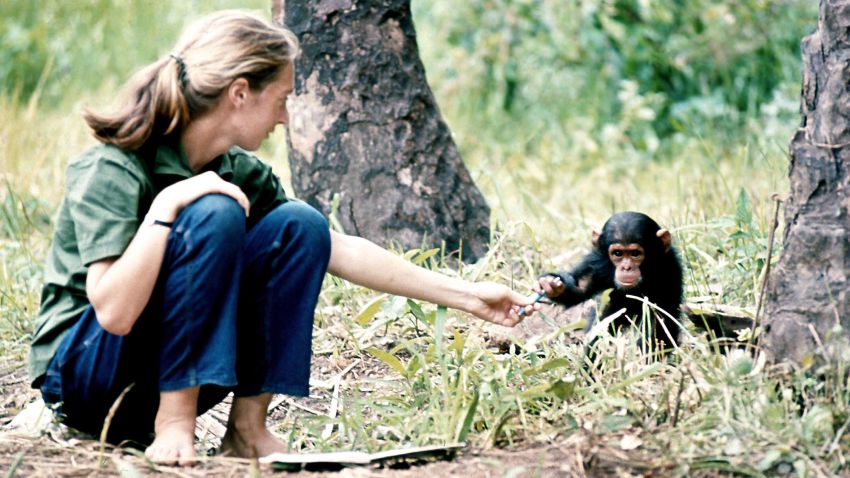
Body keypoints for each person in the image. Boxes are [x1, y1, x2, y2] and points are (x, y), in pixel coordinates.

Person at [28, 10, 533, 466]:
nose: (286, 118)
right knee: (215, 210)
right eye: (283, 99)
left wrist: (470, 296)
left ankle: (247, 430)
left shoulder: (234, 170)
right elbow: (113, 314)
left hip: (156, 373)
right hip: (85, 379)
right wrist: (168, 204)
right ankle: (174, 421)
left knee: (300, 224)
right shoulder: (114, 167)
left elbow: (336, 248)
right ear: (240, 92)